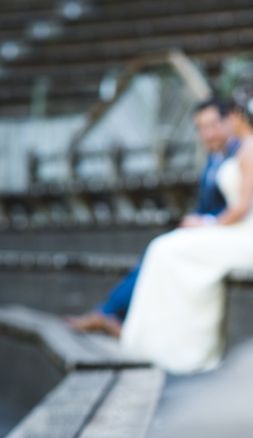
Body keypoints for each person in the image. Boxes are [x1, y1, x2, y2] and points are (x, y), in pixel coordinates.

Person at [119, 92, 253, 373]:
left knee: (165, 248)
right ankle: (157, 339)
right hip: (246, 234)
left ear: (237, 117)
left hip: (252, 239)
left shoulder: (251, 149)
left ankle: (166, 344)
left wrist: (205, 224)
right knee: (166, 247)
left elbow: (242, 207)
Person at [67, 98, 240, 337]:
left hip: (226, 234)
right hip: (206, 230)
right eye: (201, 128)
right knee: (154, 255)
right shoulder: (213, 158)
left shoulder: (242, 154)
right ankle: (115, 315)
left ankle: (112, 315)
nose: (207, 134)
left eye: (212, 125)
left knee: (158, 253)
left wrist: (205, 222)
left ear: (228, 121)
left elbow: (241, 206)